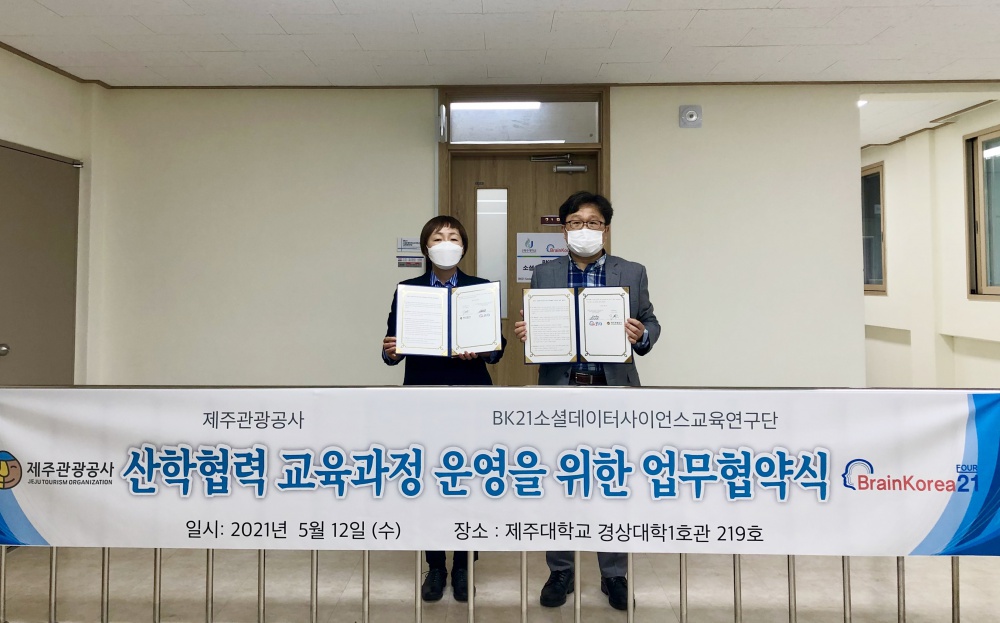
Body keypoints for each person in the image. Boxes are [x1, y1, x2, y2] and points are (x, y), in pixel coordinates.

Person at [514, 191, 660, 611]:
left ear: (606, 229)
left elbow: (650, 320)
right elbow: (538, 322)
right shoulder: (544, 273)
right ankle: (561, 570)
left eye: (593, 223)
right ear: (564, 230)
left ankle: (614, 574)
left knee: (612, 482)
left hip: (612, 390)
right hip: (561, 388)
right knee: (561, 480)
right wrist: (530, 335)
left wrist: (642, 334)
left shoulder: (631, 271)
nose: (584, 230)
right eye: (575, 223)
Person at [382, 215, 506, 603]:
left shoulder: (479, 288)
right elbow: (391, 346)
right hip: (424, 395)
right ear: (426, 247)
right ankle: (435, 565)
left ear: (463, 247)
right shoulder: (408, 290)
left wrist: (482, 349)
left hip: (471, 395)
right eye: (438, 238)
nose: (446, 243)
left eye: (453, 237)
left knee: (469, 480)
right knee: (431, 481)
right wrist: (390, 351)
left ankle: (465, 564)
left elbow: (497, 348)